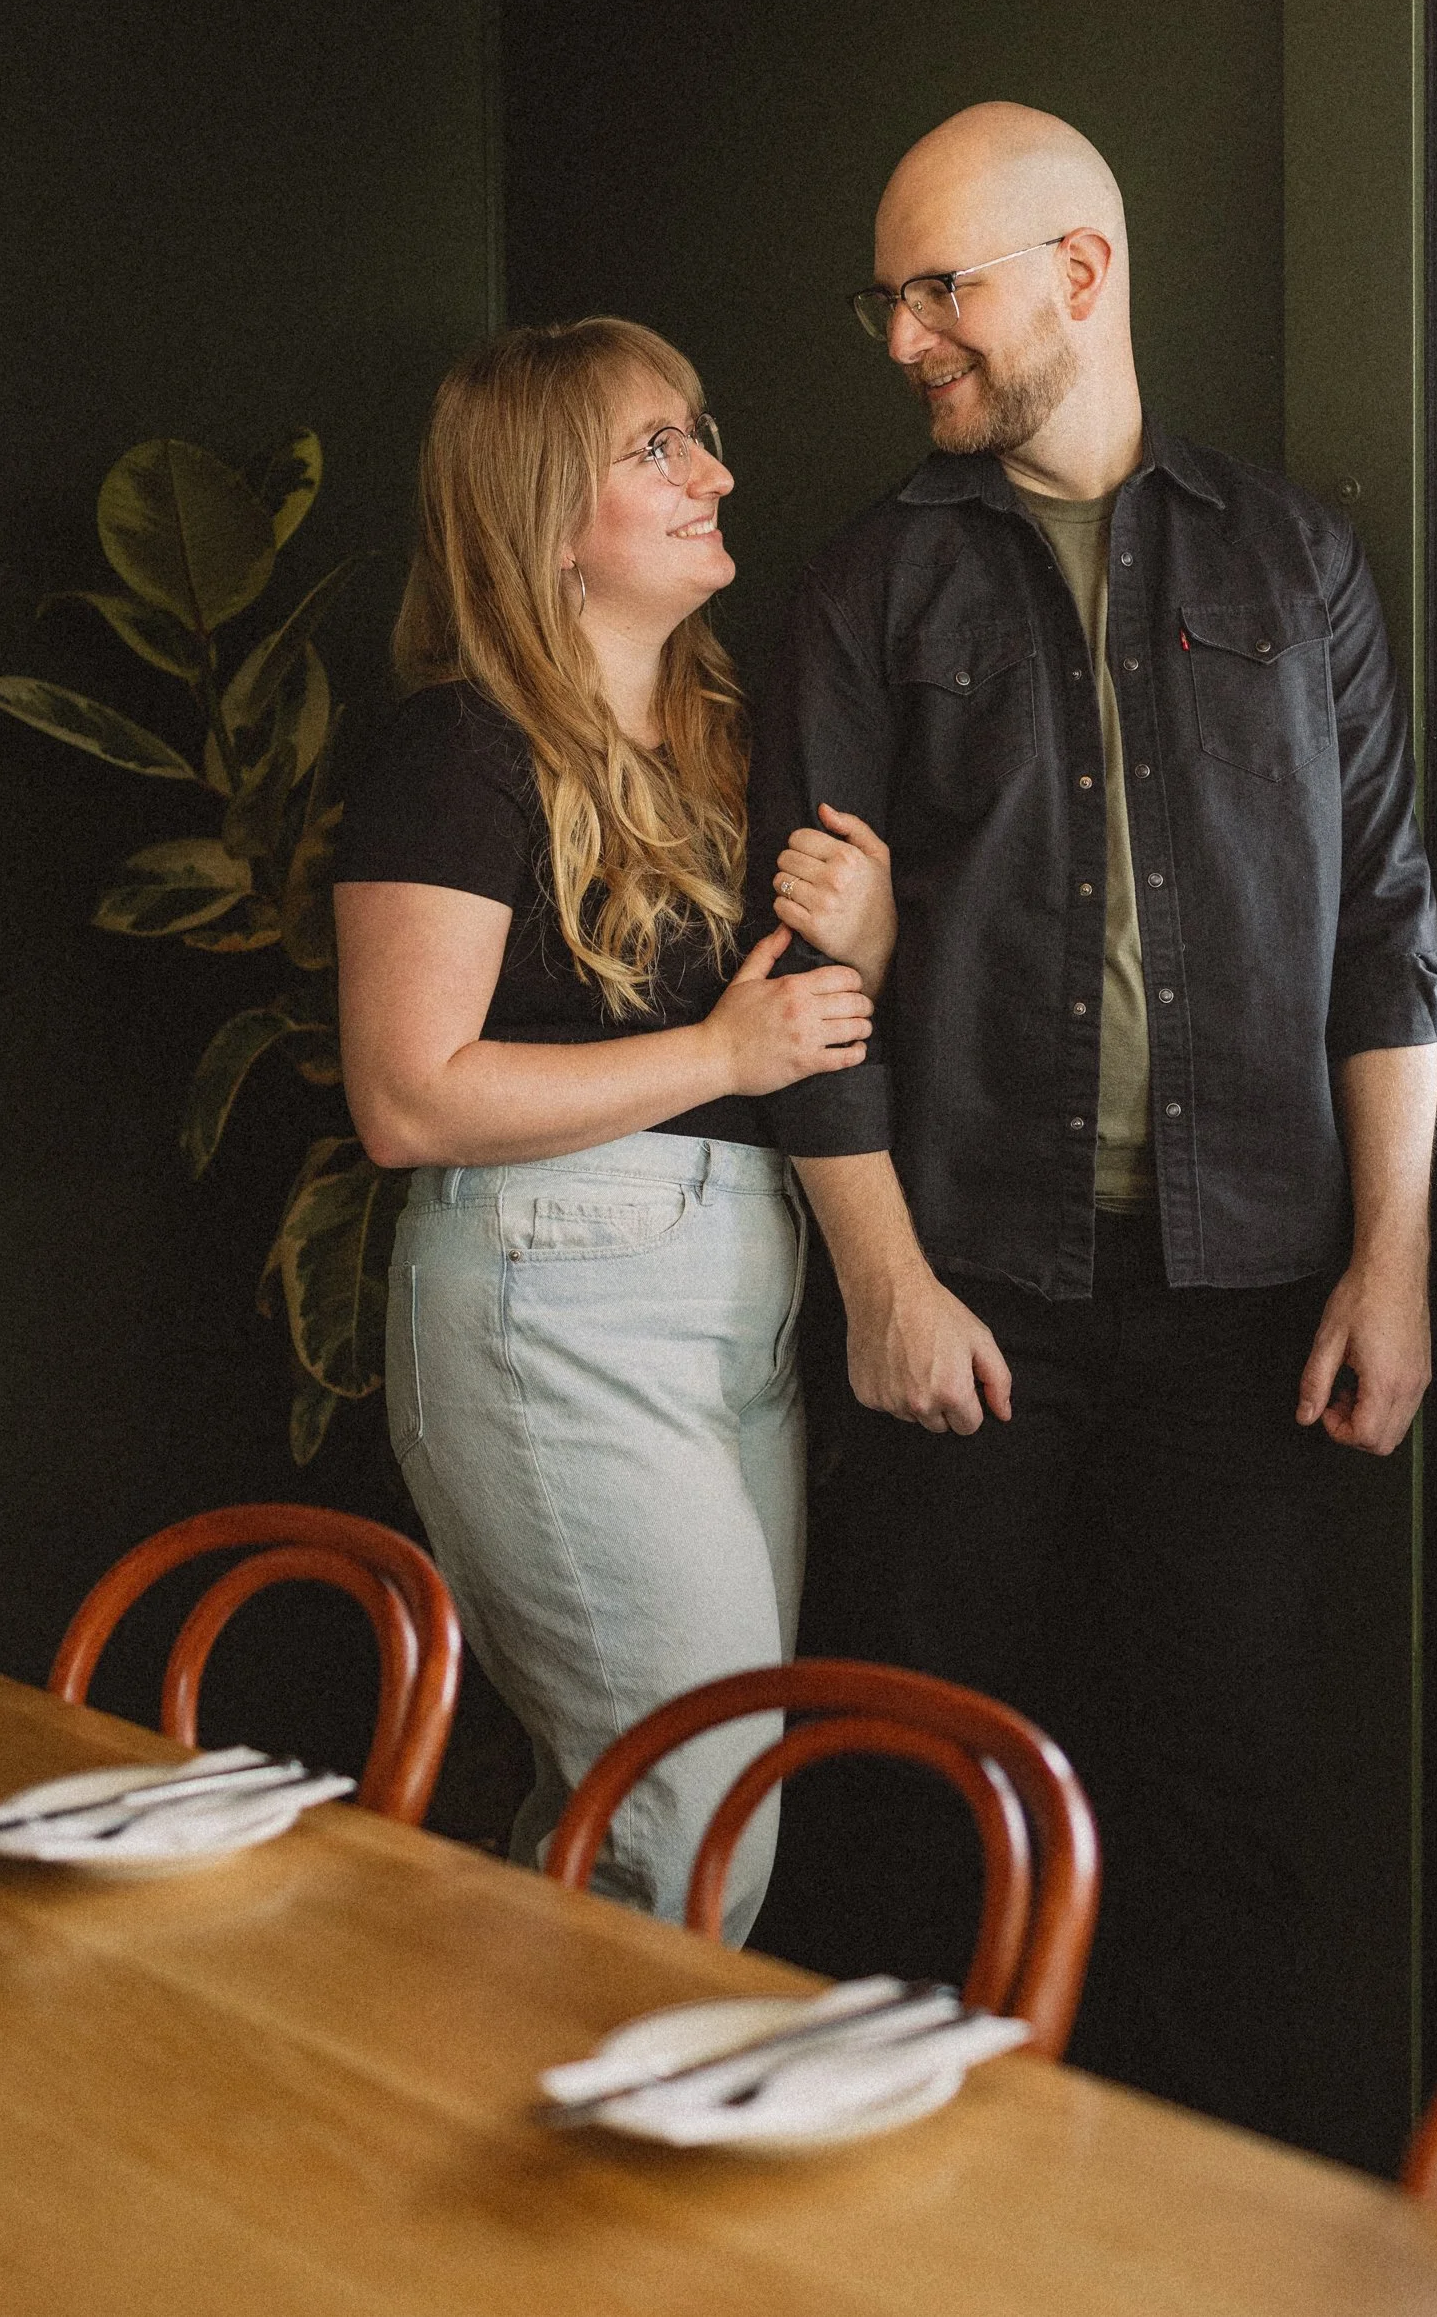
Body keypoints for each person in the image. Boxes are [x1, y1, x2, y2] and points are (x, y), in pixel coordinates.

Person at [749, 104, 1437, 2129]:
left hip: (1251, 1300)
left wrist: (1391, 1260)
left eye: (939, 289)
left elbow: (1390, 931)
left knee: (1225, 1806)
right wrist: (880, 1286)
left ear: (1081, 270)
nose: (902, 339)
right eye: (882, 298)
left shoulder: (1294, 560)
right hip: (970, 1296)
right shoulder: (871, 583)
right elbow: (803, 985)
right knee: (939, 1792)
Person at [334, 315, 894, 1943]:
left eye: (700, 432)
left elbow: (813, 1024)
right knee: (687, 1812)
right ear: (538, 509)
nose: (715, 470)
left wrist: (879, 935)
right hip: (548, 1305)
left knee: (682, 1811)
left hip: (737, 1310)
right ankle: (536, 2173)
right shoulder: (456, 749)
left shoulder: (726, 735)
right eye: (660, 447)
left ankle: (509, 2150)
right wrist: (719, 1046)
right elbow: (408, 1092)